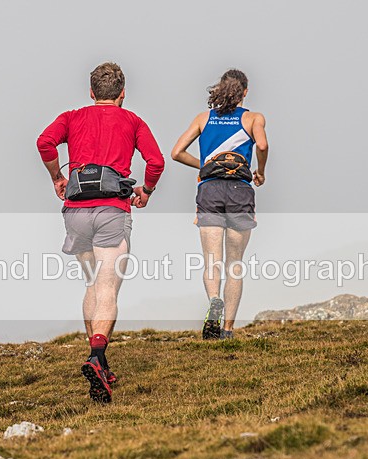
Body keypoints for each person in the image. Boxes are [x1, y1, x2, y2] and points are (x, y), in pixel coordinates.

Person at [37, 62, 164, 403]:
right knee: (107, 286)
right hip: (112, 210)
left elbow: (44, 142)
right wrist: (146, 192)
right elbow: (156, 162)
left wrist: (56, 178)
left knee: (92, 284)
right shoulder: (133, 121)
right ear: (123, 93)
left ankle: (100, 363)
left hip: (76, 212)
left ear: (91, 93)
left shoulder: (72, 117)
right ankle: (97, 355)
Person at [170, 69, 268, 340]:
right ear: (245, 91)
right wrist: (261, 170)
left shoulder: (204, 118)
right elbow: (261, 143)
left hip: (210, 189)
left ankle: (214, 299)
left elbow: (176, 152)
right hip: (240, 191)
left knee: (212, 261)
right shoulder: (252, 118)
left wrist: (204, 165)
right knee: (234, 264)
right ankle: (227, 330)